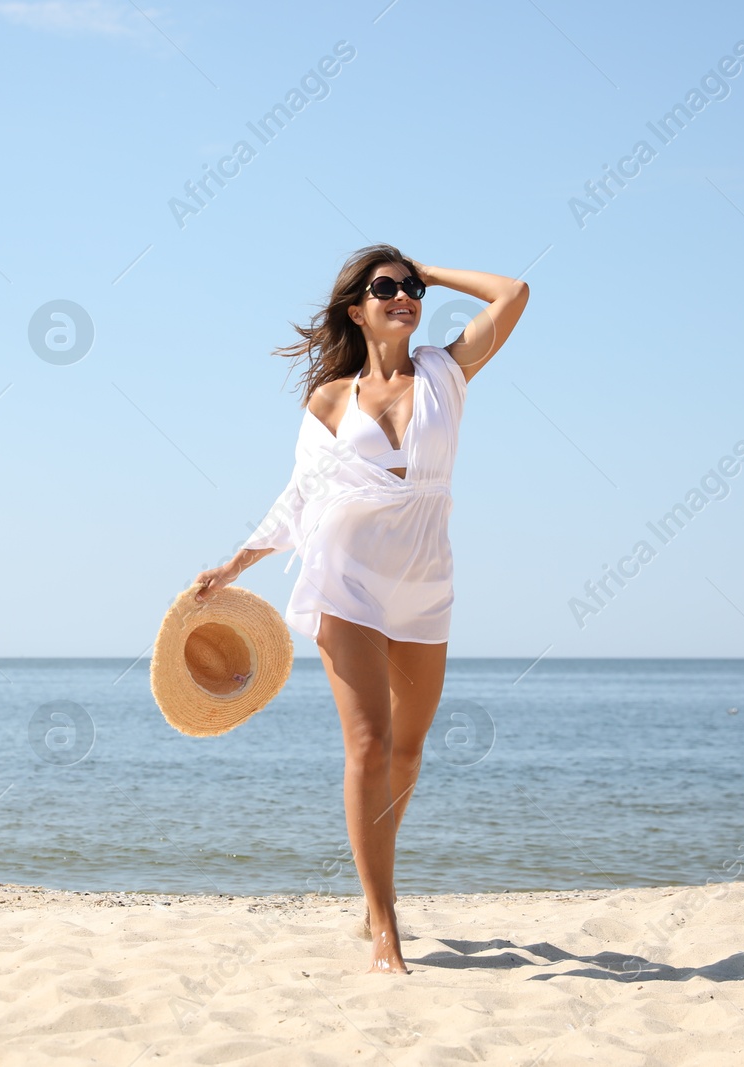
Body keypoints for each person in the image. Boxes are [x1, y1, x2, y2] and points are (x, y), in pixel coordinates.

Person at [191, 244, 530, 973]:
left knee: (408, 749)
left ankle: (372, 885)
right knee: (369, 746)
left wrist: (434, 272)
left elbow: (513, 292)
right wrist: (236, 562)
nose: (404, 296)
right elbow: (300, 498)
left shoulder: (447, 369)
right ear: (357, 307)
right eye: (387, 287)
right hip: (347, 578)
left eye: (410, 287)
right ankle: (385, 927)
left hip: (424, 578)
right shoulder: (330, 400)